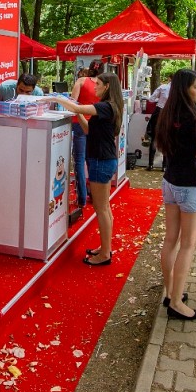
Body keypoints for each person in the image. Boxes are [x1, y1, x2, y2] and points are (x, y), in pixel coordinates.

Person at [155, 69, 196, 321]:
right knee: (188, 244)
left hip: (170, 181)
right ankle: (176, 302)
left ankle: (170, 293)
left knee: (171, 239)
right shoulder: (193, 118)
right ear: (184, 88)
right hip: (189, 184)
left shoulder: (166, 114)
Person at [56, 72, 124, 266]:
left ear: (107, 86)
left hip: (101, 161)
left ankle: (105, 254)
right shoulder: (108, 106)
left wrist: (56, 99)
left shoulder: (105, 106)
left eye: (98, 84)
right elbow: (87, 129)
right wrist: (77, 112)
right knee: (104, 208)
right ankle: (105, 248)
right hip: (102, 159)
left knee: (101, 209)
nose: (94, 87)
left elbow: (76, 106)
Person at [70, 60, 104, 208]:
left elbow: (72, 102)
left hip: (79, 123)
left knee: (79, 160)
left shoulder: (81, 81)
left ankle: (82, 198)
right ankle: (95, 195)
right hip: (96, 125)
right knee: (92, 160)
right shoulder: (104, 85)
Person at [144, 75, 172, 171]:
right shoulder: (178, 90)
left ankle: (150, 164)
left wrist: (159, 100)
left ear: (169, 79)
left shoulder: (163, 87)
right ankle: (164, 166)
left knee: (154, 137)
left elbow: (151, 99)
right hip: (170, 113)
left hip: (159, 111)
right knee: (166, 138)